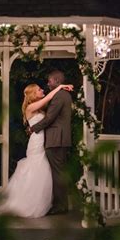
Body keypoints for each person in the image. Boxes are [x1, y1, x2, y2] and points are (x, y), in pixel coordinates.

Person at [0, 82, 73, 218]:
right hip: (36, 142)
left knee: (44, 171)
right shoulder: (30, 107)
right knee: (37, 169)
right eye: (39, 90)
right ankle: (29, 202)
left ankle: (42, 201)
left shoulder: (39, 108)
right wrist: (59, 87)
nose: (42, 90)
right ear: (33, 94)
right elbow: (48, 100)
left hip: (42, 141)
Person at [29, 70, 73, 215]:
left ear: (56, 81)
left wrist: (33, 128)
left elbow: (49, 119)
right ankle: (60, 203)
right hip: (59, 138)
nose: (48, 84)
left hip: (56, 139)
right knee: (59, 172)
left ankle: (60, 206)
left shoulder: (59, 96)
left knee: (58, 173)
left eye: (50, 81)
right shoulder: (63, 94)